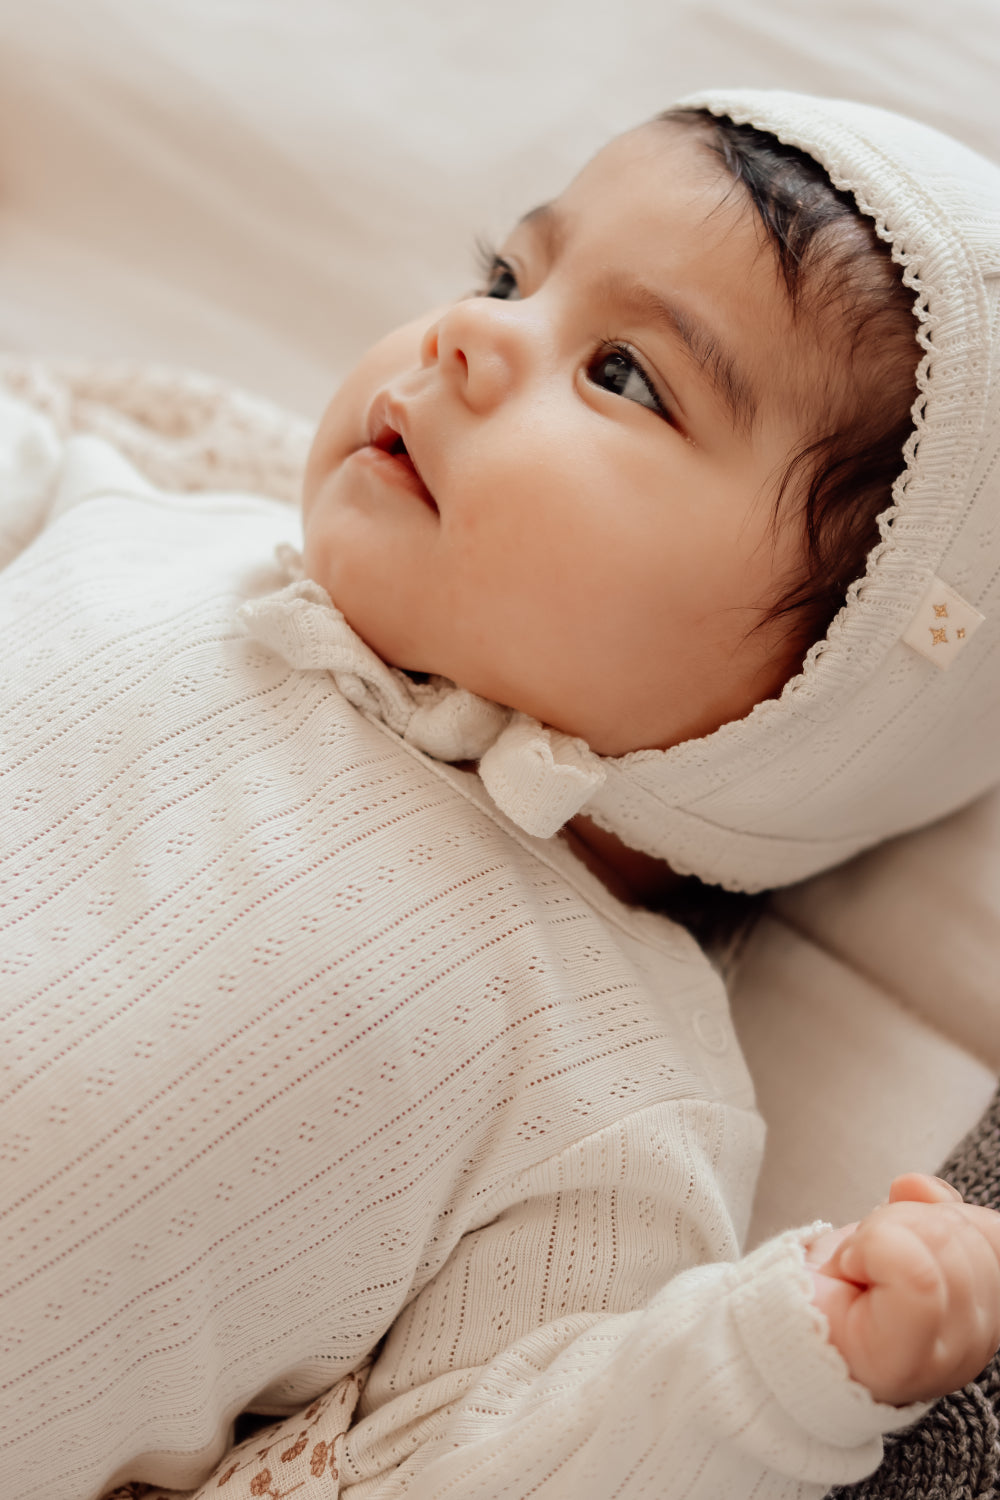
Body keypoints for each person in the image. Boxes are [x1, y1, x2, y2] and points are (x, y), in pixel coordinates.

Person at [2, 85, 1000, 1500]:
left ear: (813, 689)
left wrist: (770, 1371)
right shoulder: (172, 535)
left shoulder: (604, 1078)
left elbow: (488, 1457)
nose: (467, 335)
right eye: (504, 275)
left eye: (623, 375)